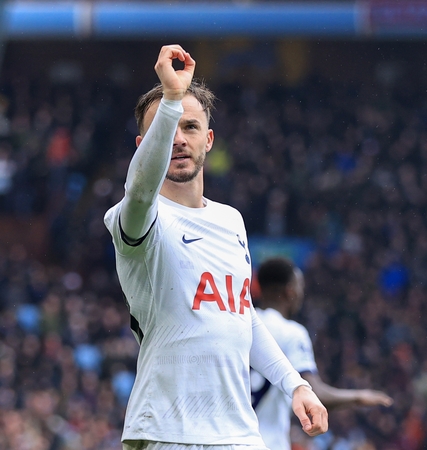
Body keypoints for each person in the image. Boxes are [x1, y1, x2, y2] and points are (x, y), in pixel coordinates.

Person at [103, 45, 328, 450]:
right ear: (143, 145)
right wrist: (171, 99)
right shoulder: (136, 216)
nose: (177, 139)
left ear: (208, 139)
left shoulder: (231, 221)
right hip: (166, 432)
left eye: (189, 127)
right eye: (165, 129)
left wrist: (295, 384)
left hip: (239, 434)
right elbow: (139, 190)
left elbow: (241, 314)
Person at [252, 257, 393, 450]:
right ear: (289, 291)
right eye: (300, 286)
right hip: (267, 443)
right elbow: (315, 393)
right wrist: (358, 397)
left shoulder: (241, 325)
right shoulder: (292, 333)